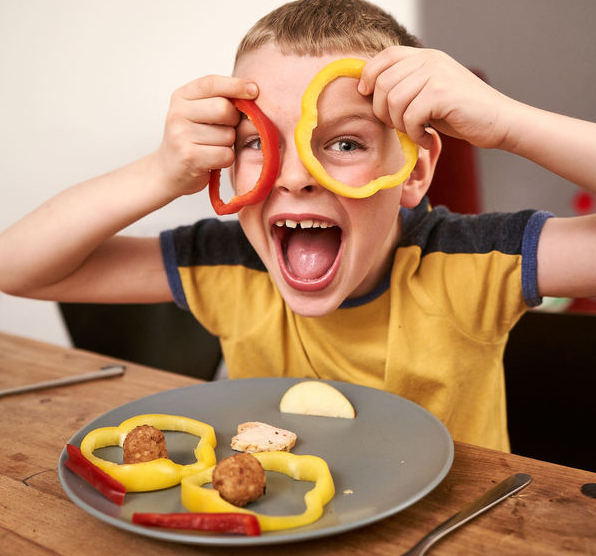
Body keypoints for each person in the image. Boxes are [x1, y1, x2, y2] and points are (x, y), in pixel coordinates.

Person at [0, 0, 595, 452]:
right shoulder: (226, 263)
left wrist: (509, 123)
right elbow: (16, 267)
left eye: (343, 141)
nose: (294, 176)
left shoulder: (477, 261)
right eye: (258, 141)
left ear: (414, 171)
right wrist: (159, 173)